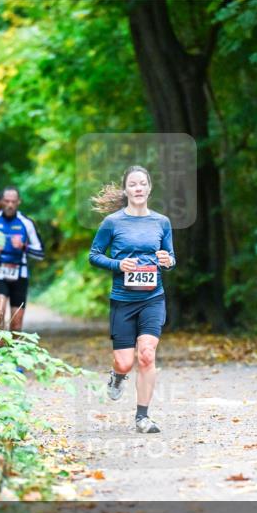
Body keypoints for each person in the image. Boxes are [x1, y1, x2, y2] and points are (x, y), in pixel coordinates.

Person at [88, 165, 175, 434]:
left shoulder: (162, 222)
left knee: (147, 356)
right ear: (126, 190)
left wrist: (167, 261)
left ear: (150, 188)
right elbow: (94, 254)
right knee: (125, 362)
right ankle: (117, 376)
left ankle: (142, 417)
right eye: (133, 184)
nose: (138, 188)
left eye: (142, 184)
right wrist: (117, 265)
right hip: (123, 301)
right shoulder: (112, 222)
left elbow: (170, 257)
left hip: (152, 298)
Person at [0, 186, 44, 333]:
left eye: (13, 201)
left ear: (18, 202)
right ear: (1, 202)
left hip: (20, 274)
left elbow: (40, 253)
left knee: (16, 325)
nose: (10, 205)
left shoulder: (26, 223)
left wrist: (23, 247)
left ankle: (14, 355)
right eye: (7, 201)